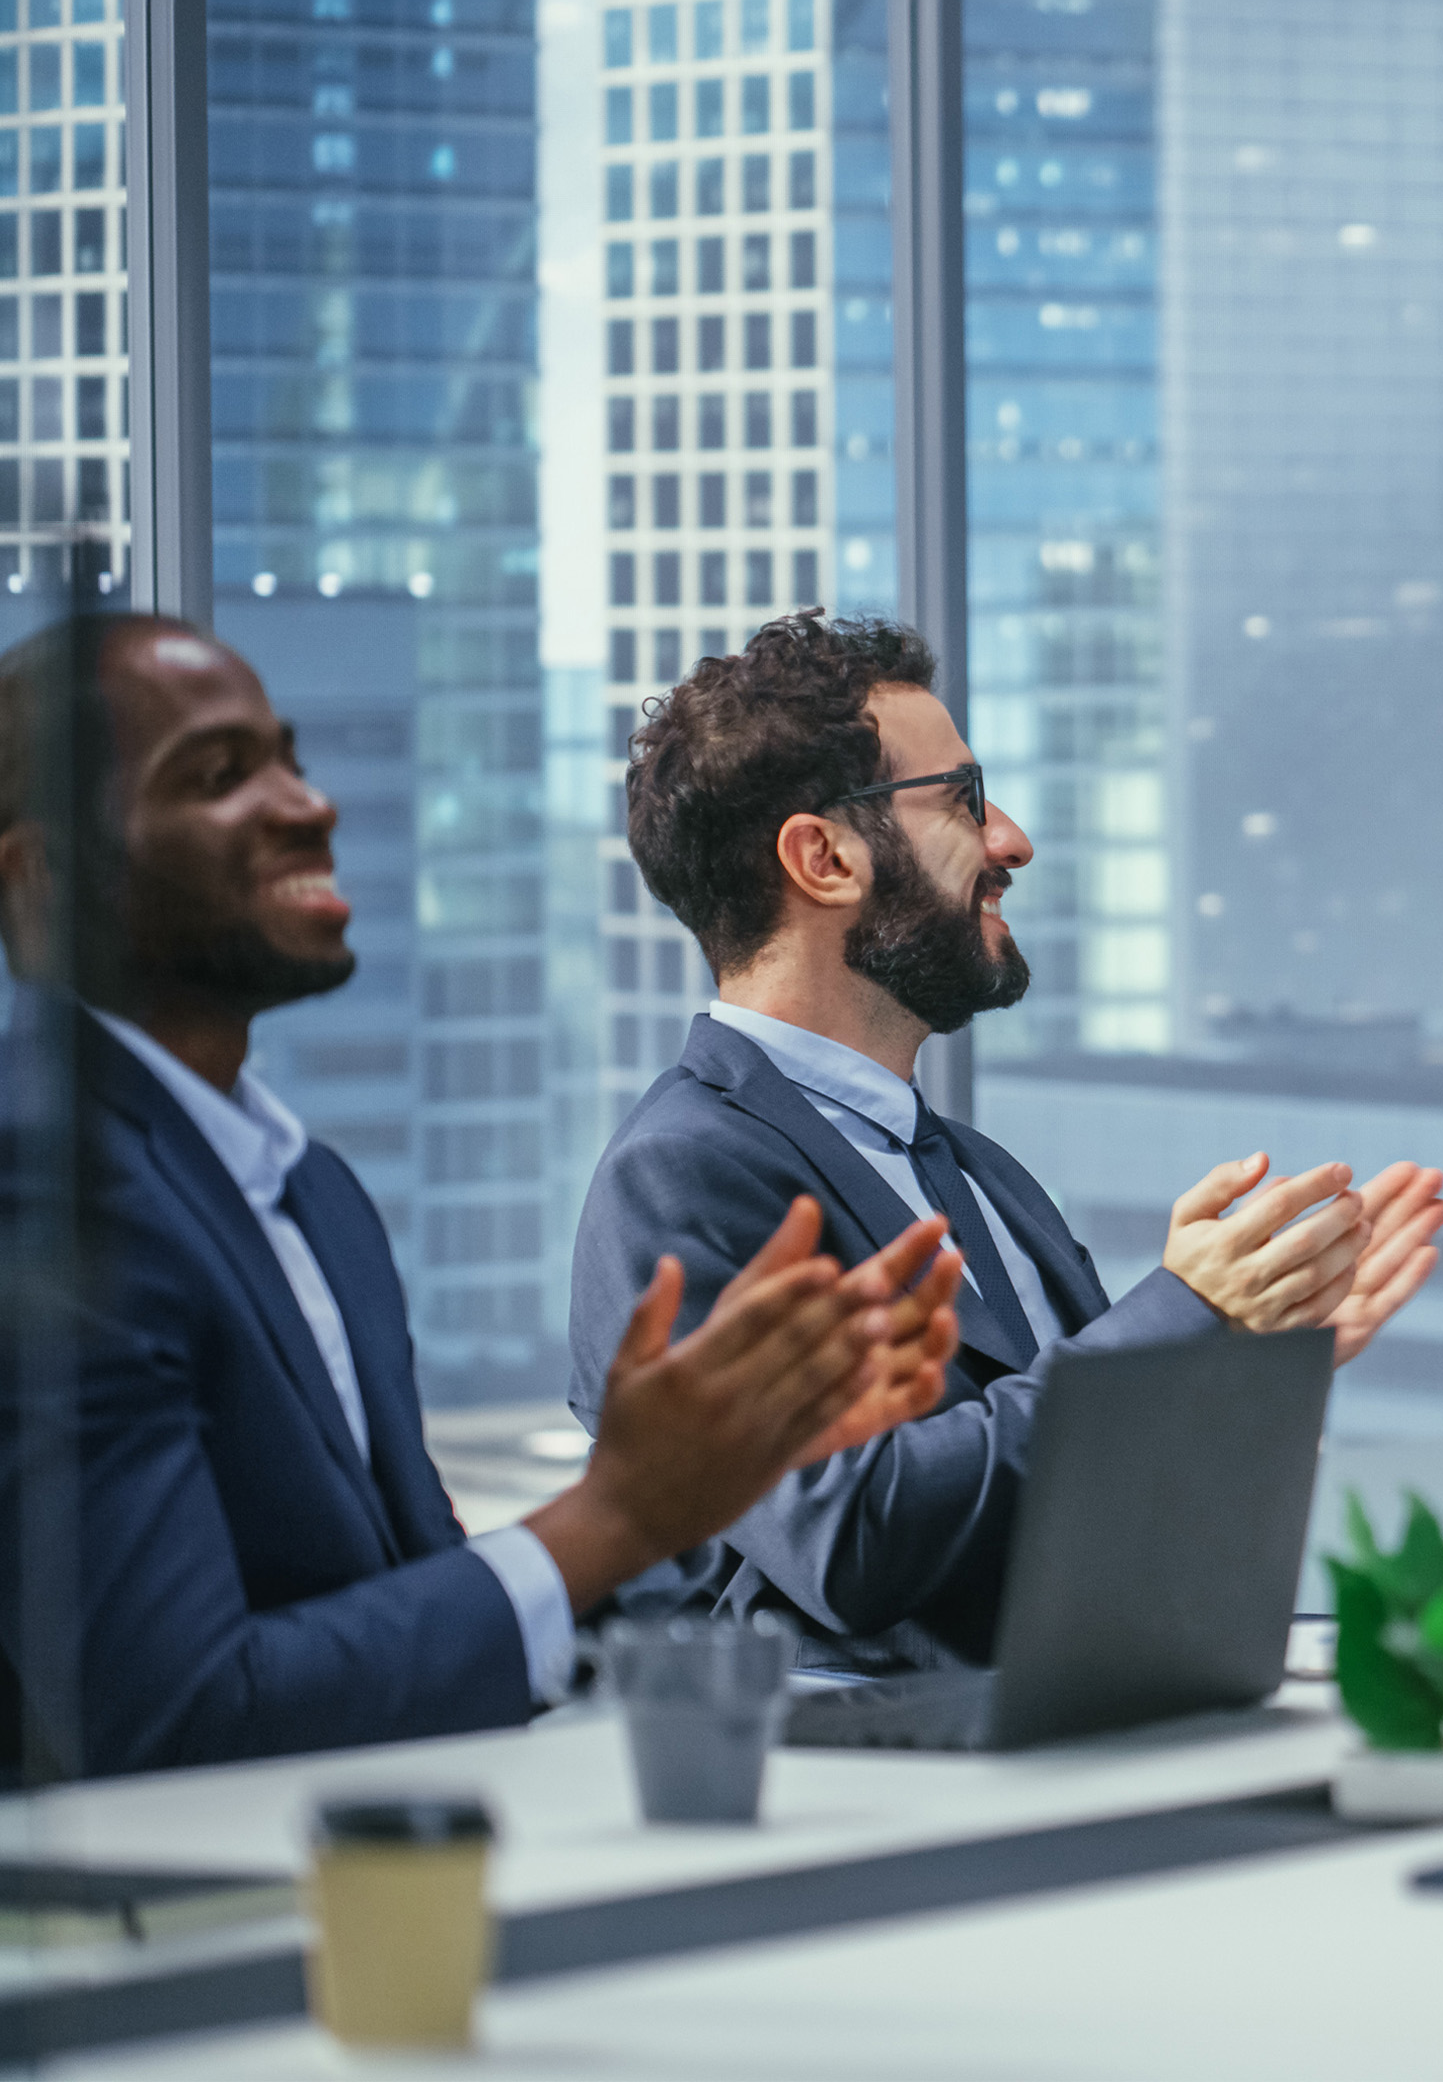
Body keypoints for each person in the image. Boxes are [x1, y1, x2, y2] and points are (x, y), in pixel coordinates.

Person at [0, 615, 962, 1779]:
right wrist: (613, 1514)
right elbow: (175, 1718)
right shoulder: (42, 1192)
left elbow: (416, 1619)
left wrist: (699, 1484)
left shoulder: (316, 1200)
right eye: (217, 776)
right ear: (40, 876)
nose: (309, 806)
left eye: (290, 760)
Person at [570, 612, 1443, 1673]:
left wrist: (1243, 1369)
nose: (1013, 840)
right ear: (824, 857)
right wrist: (1182, 1324)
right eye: (966, 801)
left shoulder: (986, 1175)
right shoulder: (679, 1176)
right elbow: (845, 1536)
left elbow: (1090, 1531)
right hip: (887, 1806)